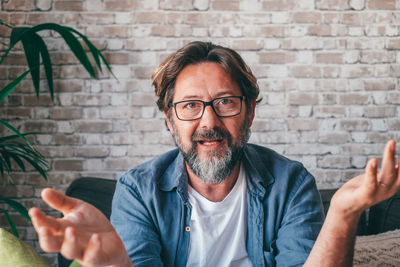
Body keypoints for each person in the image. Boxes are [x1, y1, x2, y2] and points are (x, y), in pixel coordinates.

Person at [29, 41, 400, 267]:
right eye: (190, 105)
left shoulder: (292, 183)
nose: (209, 121)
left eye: (225, 102)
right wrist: (115, 265)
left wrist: (343, 212)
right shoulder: (138, 190)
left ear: (250, 111)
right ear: (170, 120)